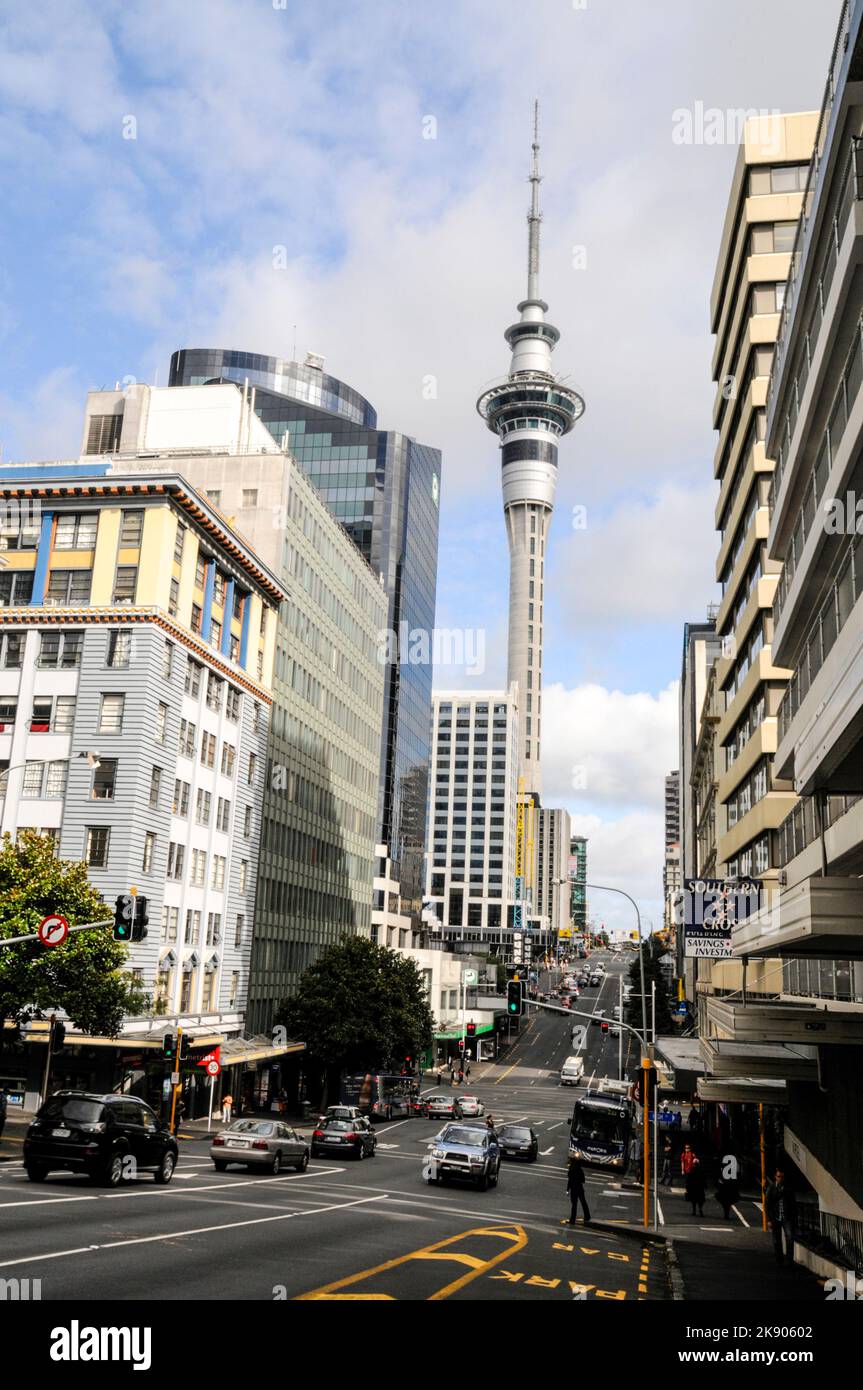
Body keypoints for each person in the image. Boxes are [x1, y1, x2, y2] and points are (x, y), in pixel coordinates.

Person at [765, 1168, 796, 1266]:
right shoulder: (771, 1188)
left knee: (790, 1238)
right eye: (779, 1176)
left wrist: (793, 1217)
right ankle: (779, 1260)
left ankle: (789, 1260)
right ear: (775, 1177)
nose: (781, 1179)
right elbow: (767, 1204)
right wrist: (769, 1219)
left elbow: (793, 1204)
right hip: (775, 1217)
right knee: (776, 1240)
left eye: (782, 1177)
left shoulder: (788, 1188)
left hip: (786, 1217)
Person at [566, 1155, 591, 1225]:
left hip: (573, 1190)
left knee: (574, 1205)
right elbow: (583, 1180)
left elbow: (569, 1181)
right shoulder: (580, 1169)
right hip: (580, 1189)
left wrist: (567, 1190)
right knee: (583, 1202)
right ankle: (587, 1216)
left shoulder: (571, 1169)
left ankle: (572, 1220)